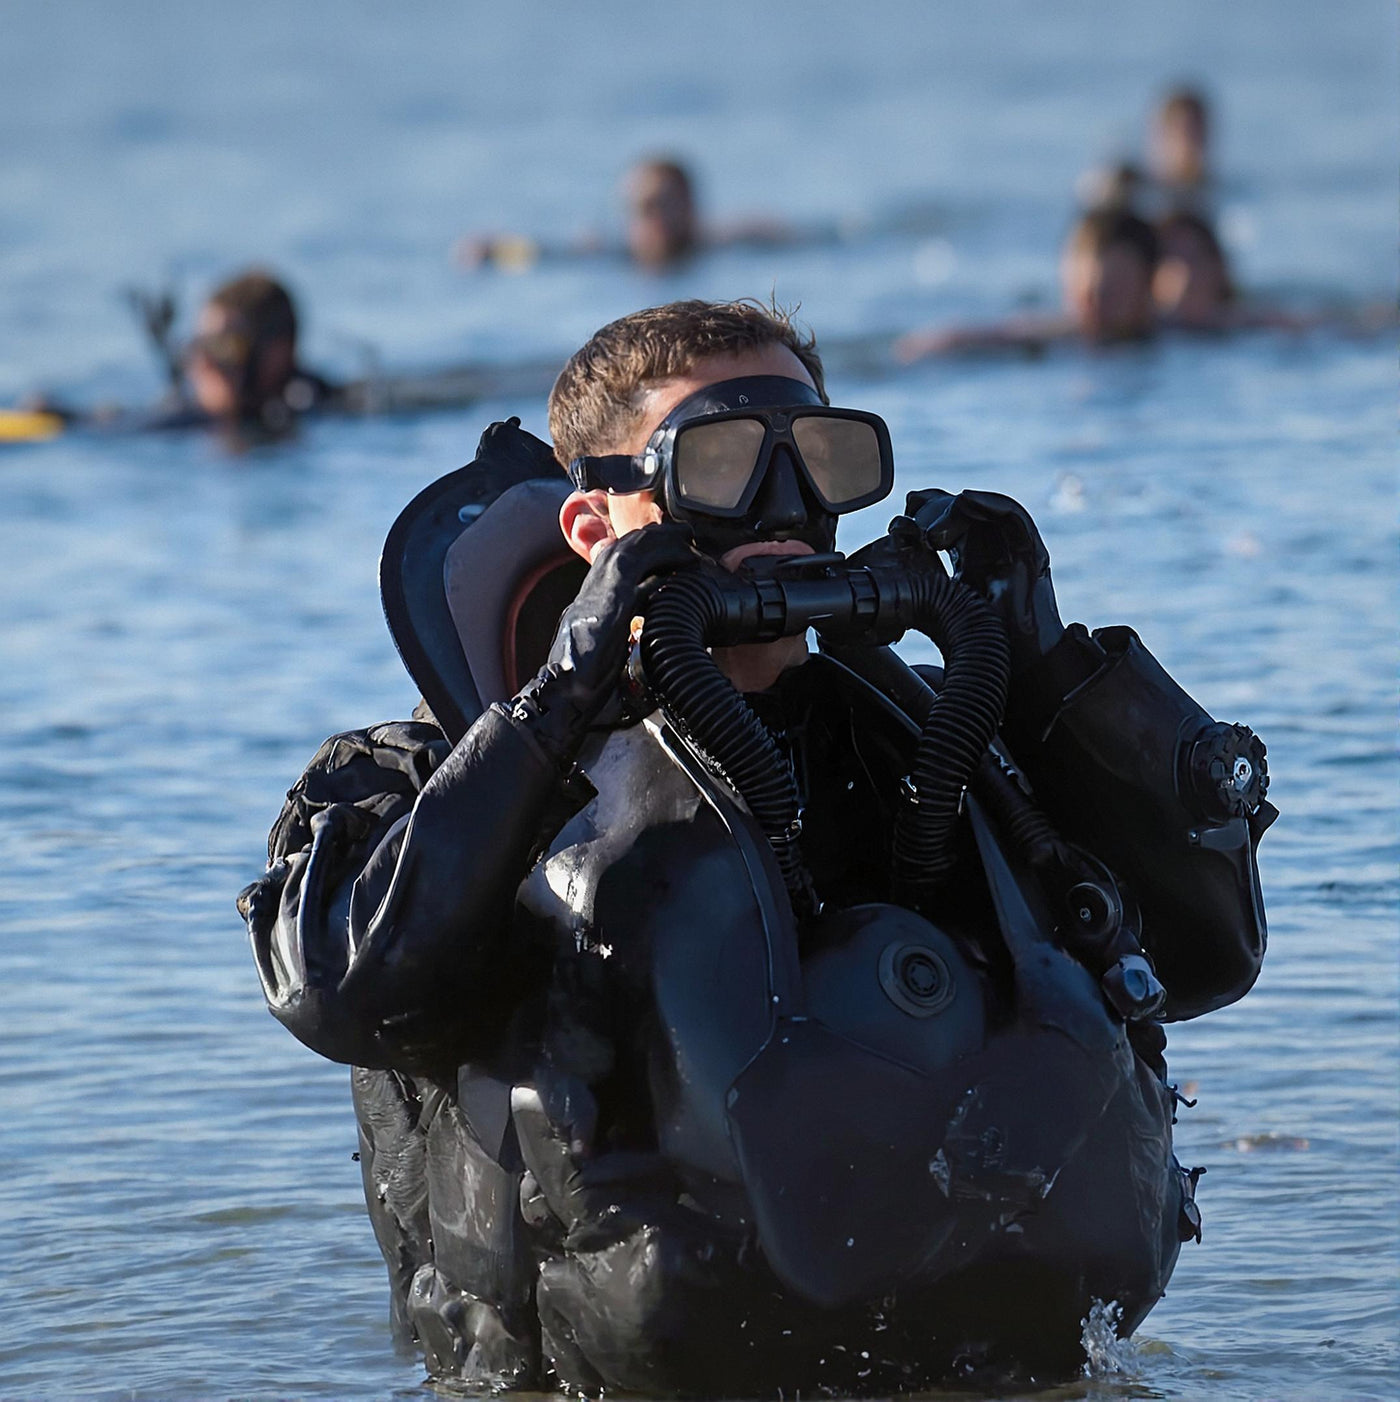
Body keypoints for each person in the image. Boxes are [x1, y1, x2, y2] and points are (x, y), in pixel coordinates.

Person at [239, 298, 1274, 1393]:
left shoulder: (935, 732)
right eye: (723, 464)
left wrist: (1044, 664)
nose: (785, 507)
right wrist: (558, 699)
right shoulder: (424, 779)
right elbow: (342, 993)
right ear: (595, 527)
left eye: (822, 459)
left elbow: (1204, 960)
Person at [895, 207, 1161, 360]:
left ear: (1148, 286)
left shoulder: (1180, 335)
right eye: (1083, 294)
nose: (1095, 307)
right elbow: (941, 342)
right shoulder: (1047, 336)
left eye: (1112, 292)